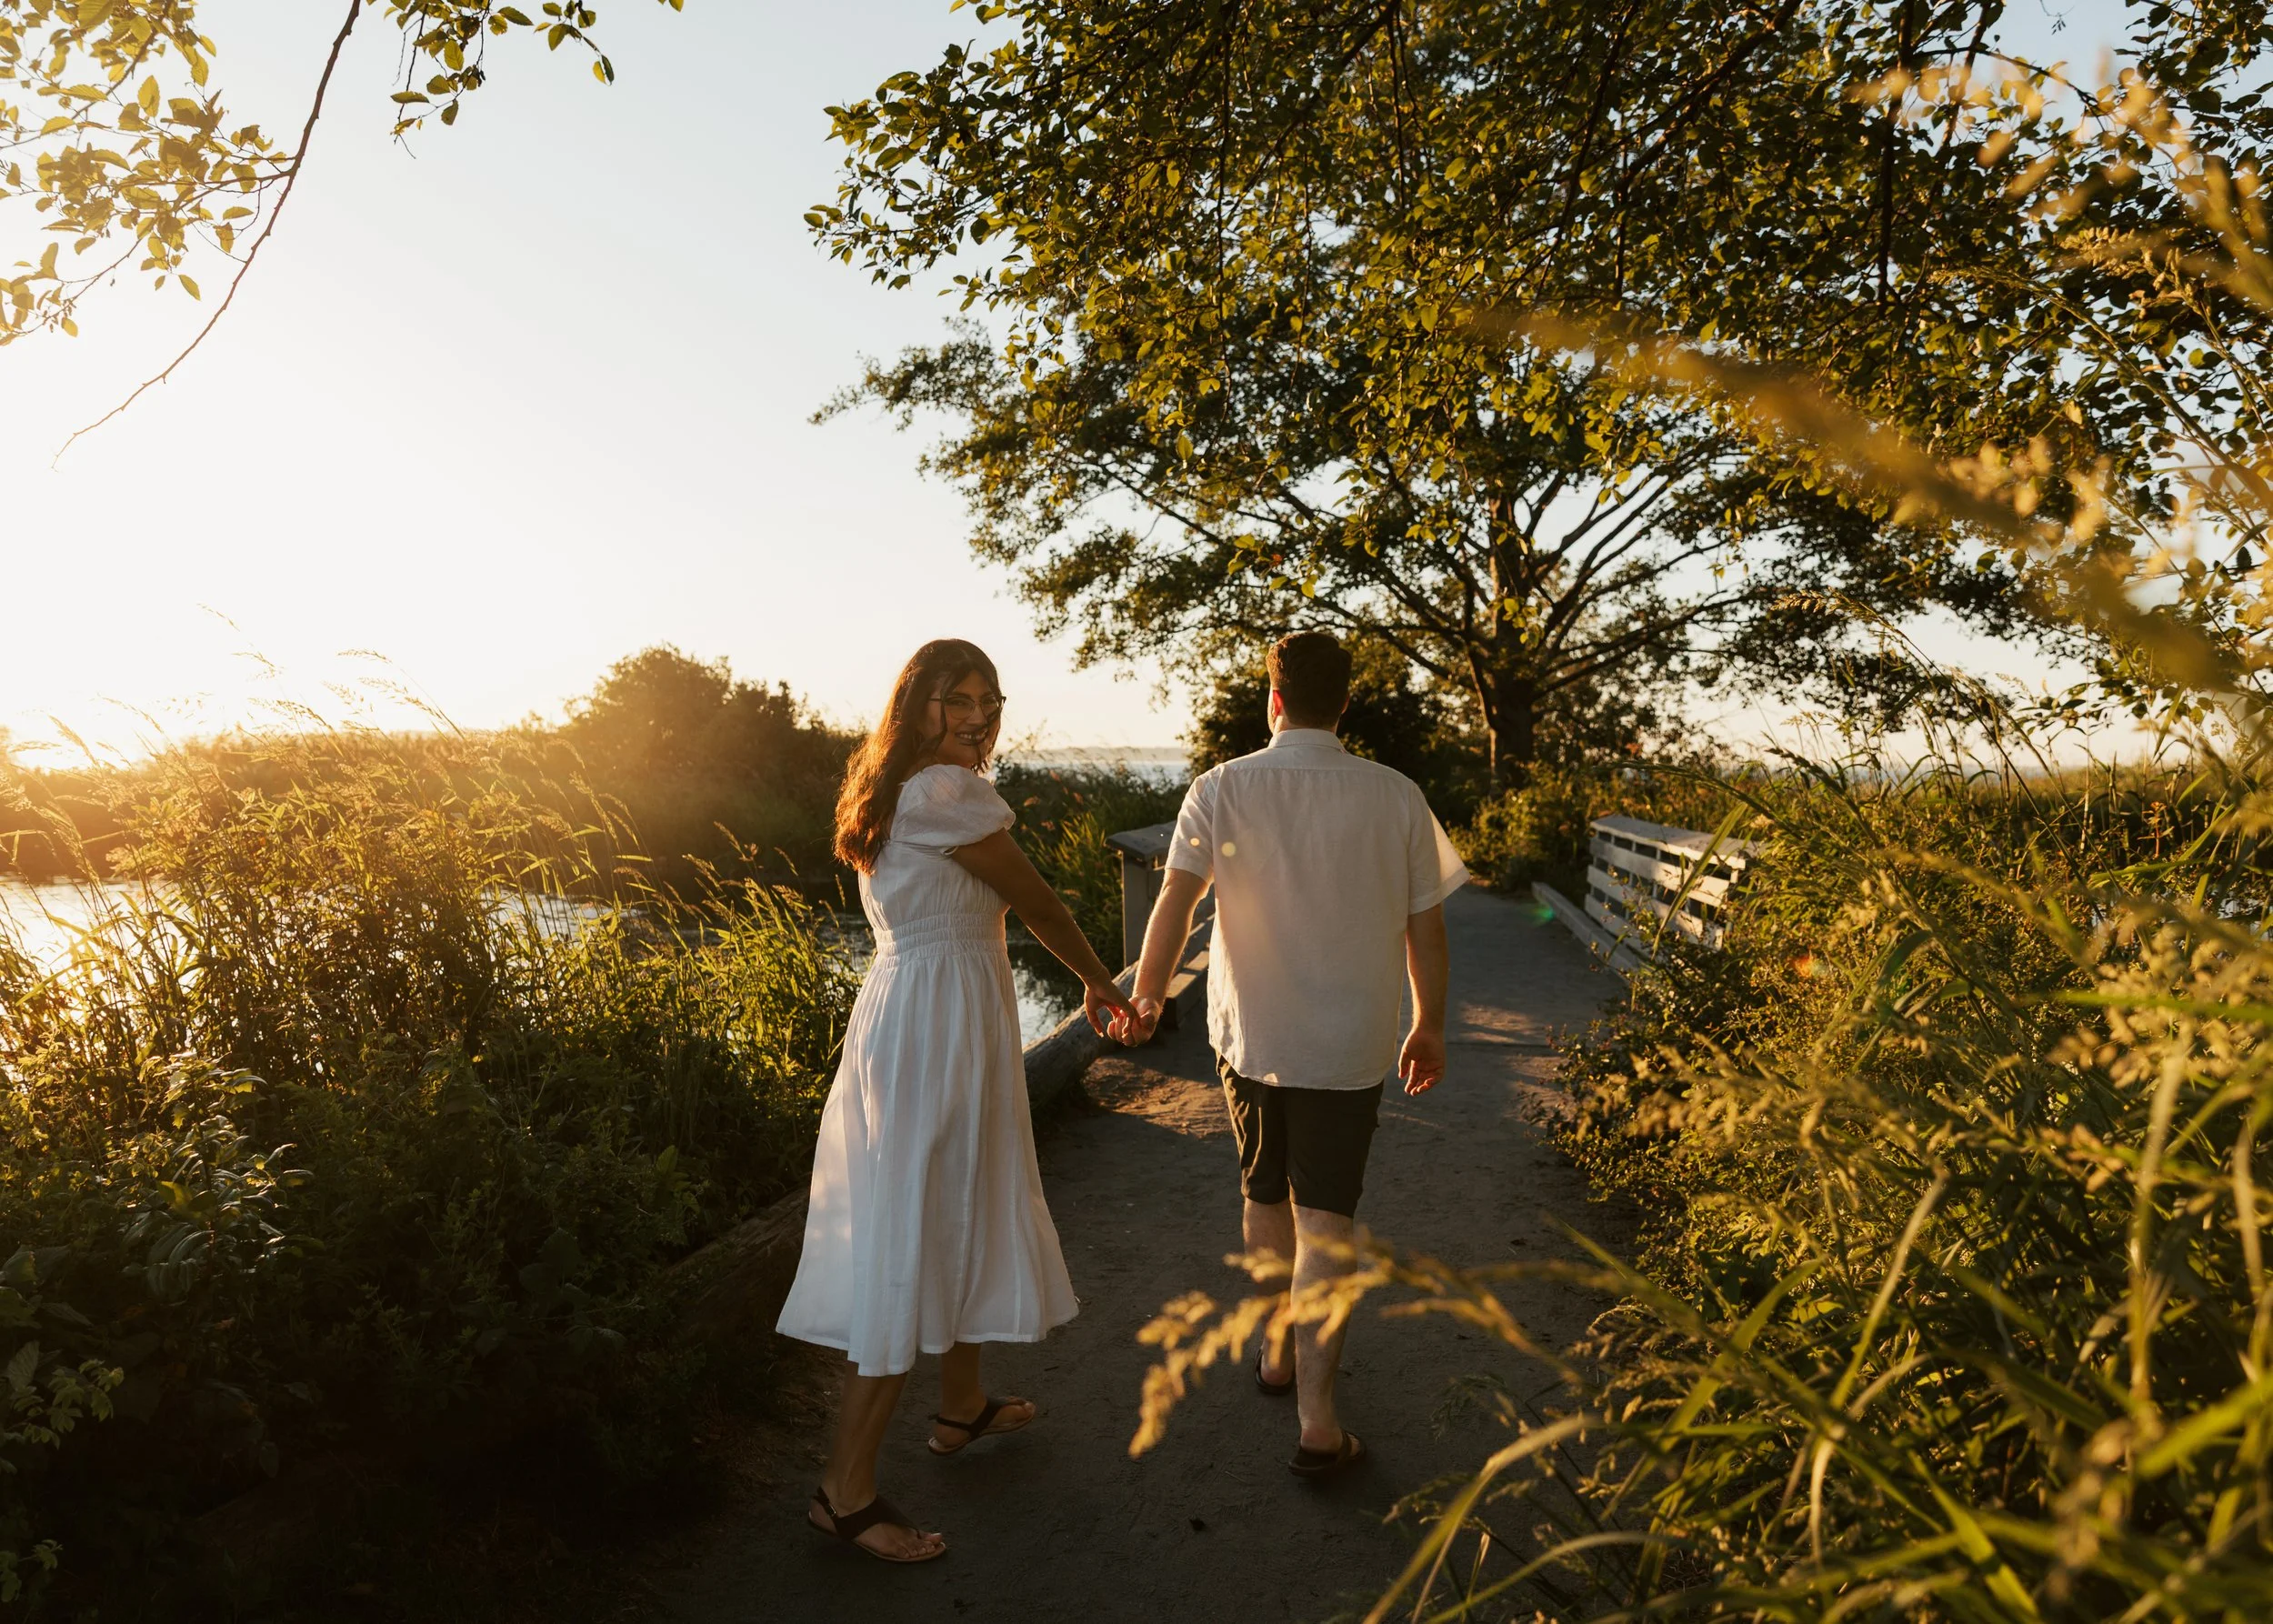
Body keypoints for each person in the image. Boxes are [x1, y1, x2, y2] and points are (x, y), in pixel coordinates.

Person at [777, 638, 1137, 1563]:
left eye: (987, 697)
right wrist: (1103, 984)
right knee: (915, 1227)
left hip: (923, 1019)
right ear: (917, 705)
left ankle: (962, 1404)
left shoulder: (894, 787)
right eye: (954, 698)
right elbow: (1042, 903)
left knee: (963, 1198)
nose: (975, 714)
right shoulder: (944, 791)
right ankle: (844, 1494)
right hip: (937, 1032)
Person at [1126, 630, 1467, 1479]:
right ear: (1344, 703)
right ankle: (1318, 1422)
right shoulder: (1397, 797)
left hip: (1252, 1037)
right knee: (1328, 1220)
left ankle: (1278, 1351)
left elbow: (1174, 898)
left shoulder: (1221, 786)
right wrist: (1427, 1023)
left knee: (1264, 1189)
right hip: (1347, 1044)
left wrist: (1147, 994)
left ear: (1271, 700)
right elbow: (1427, 924)